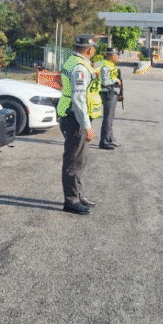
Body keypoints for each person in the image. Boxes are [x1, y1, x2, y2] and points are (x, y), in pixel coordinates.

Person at [56, 34, 102, 215]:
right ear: (89, 50)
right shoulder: (79, 68)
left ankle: (79, 195)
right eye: (94, 49)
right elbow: (79, 99)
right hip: (74, 118)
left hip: (72, 115)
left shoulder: (74, 61)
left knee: (79, 159)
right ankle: (71, 201)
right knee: (73, 161)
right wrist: (87, 125)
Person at [97, 47, 122, 149]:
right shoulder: (106, 66)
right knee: (108, 118)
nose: (118, 56)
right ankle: (104, 141)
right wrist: (116, 80)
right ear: (111, 55)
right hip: (108, 93)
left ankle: (110, 138)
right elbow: (105, 81)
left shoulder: (111, 65)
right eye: (116, 54)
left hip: (112, 93)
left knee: (110, 118)